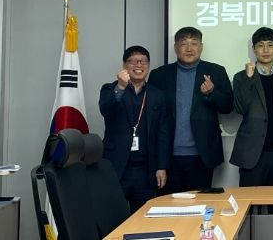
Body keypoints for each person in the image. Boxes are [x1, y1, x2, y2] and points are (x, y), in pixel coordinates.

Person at [148, 26, 233, 193]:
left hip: (202, 155)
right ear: (175, 48)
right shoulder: (159, 75)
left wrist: (211, 93)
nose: (189, 48)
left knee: (200, 205)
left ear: (201, 47)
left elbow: (228, 107)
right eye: (183, 44)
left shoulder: (216, 71)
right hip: (168, 156)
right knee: (169, 204)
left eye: (194, 43)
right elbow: (152, 117)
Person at [230, 27, 273, 214]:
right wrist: (248, 79)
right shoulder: (241, 77)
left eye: (270, 45)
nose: (266, 50)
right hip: (252, 154)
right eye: (261, 46)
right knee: (249, 209)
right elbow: (240, 108)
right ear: (254, 49)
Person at [98, 45, 170, 213]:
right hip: (116, 168)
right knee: (114, 217)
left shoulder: (157, 95)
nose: (139, 65)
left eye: (143, 61)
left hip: (145, 171)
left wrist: (161, 166)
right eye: (133, 61)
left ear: (148, 65)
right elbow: (106, 110)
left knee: (143, 218)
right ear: (124, 65)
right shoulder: (110, 89)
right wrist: (121, 87)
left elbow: (163, 133)